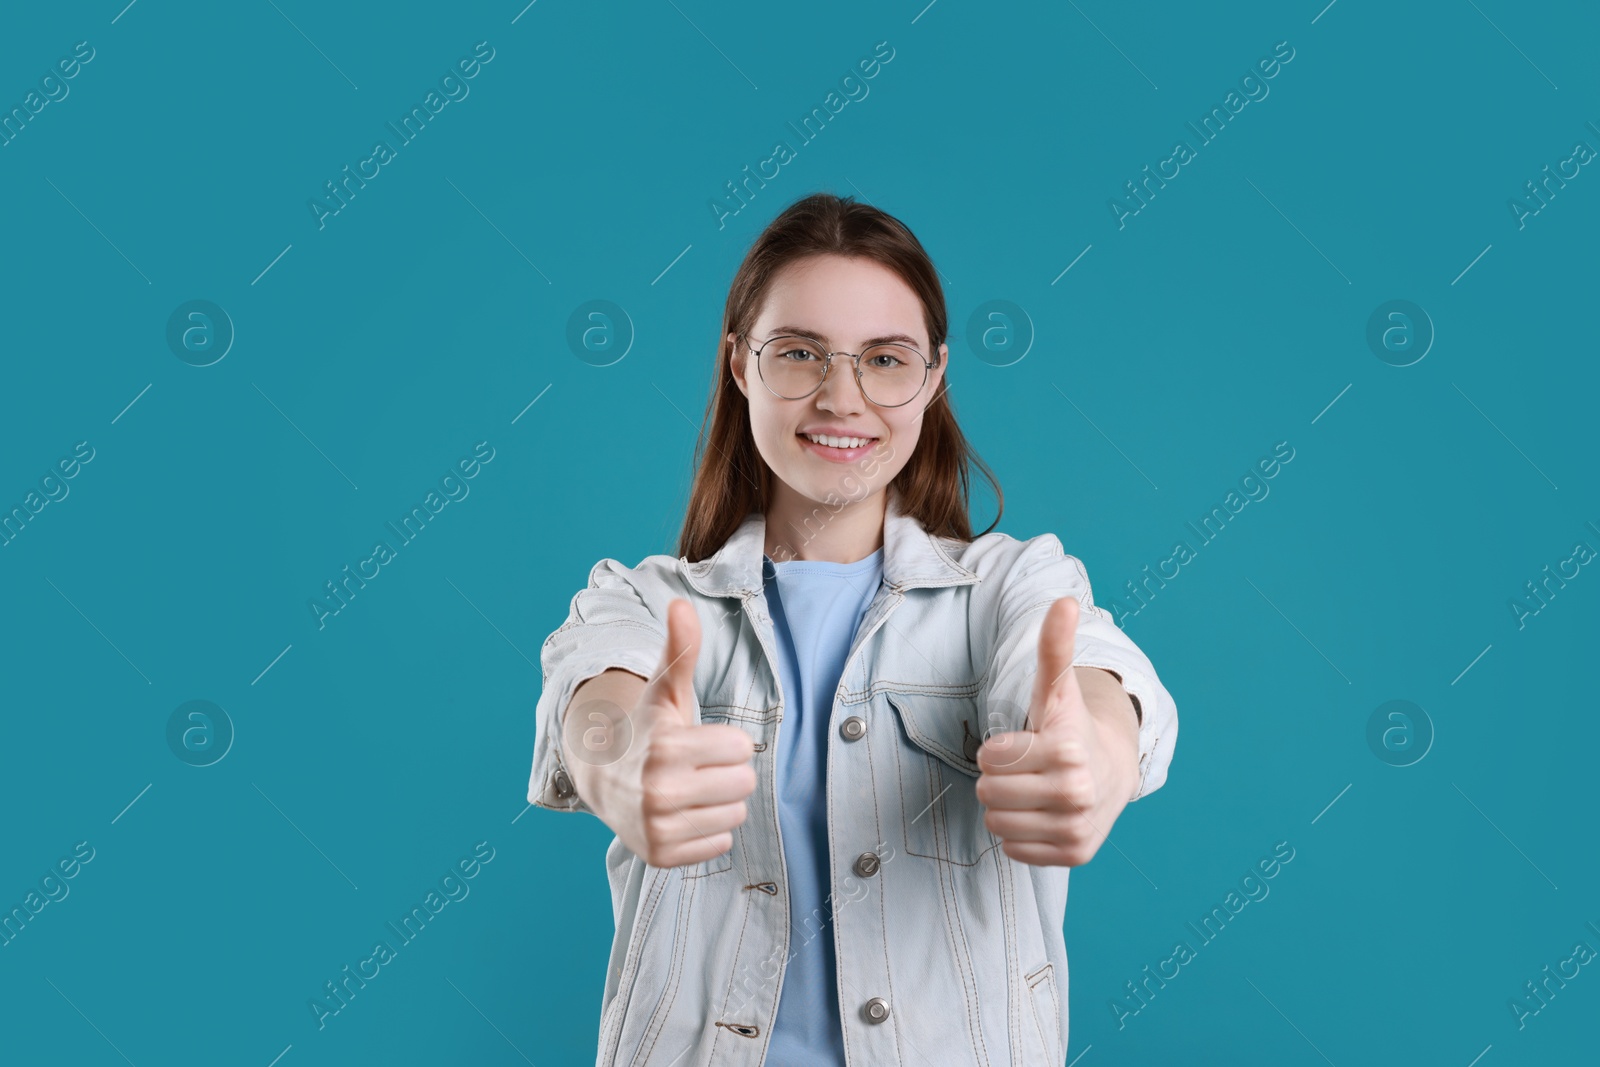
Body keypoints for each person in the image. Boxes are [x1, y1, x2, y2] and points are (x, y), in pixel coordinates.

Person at [528, 192, 1179, 1066]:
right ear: (740, 365)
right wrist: (621, 763)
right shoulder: (645, 601)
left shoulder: (1008, 587)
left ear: (934, 376)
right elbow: (595, 698)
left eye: (885, 359)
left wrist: (1093, 757)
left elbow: (1091, 674)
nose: (843, 398)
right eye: (799, 353)